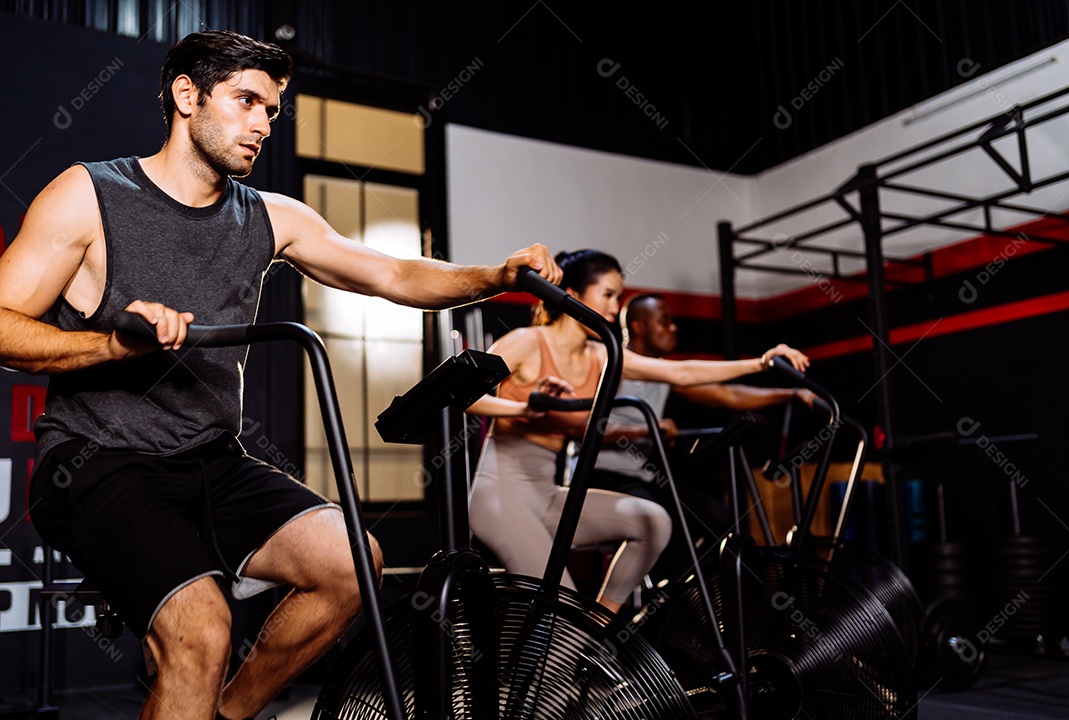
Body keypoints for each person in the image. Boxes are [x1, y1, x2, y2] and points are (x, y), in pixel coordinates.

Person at [0, 30, 561, 720]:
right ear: (186, 95)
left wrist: (494, 277)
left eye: (272, 109)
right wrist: (110, 346)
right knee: (203, 631)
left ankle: (228, 714)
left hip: (212, 460)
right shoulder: (90, 194)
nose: (264, 123)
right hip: (100, 459)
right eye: (246, 101)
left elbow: (390, 272)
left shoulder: (271, 217)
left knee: (354, 561)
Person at [466, 250, 808, 616]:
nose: (615, 307)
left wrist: (762, 362)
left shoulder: (602, 354)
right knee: (560, 611)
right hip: (500, 494)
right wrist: (524, 408)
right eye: (608, 295)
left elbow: (683, 373)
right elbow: (464, 397)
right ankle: (578, 642)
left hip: (546, 493)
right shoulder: (527, 342)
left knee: (655, 520)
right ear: (575, 296)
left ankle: (601, 624)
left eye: (618, 296)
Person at [591, 293, 818, 580]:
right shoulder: (609, 364)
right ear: (638, 326)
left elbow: (728, 394)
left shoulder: (662, 372)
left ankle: (717, 596)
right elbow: (586, 427)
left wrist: (793, 394)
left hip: (642, 479)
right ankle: (680, 605)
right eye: (665, 321)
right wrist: (648, 429)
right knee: (670, 532)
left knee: (721, 518)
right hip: (601, 478)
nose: (673, 327)